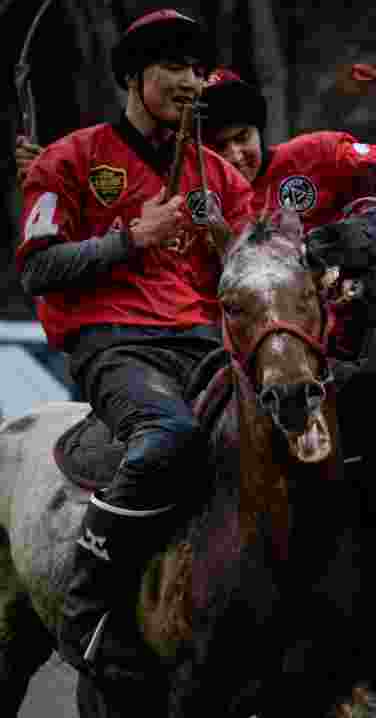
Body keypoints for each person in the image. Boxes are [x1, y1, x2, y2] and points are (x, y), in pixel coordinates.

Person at [16, 9, 254, 679]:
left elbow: (257, 266)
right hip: (117, 347)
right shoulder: (71, 158)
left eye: (198, 70)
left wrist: (238, 250)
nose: (190, 82)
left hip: (206, 345)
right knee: (169, 437)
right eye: (173, 67)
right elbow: (38, 267)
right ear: (132, 75)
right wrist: (130, 239)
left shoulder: (223, 178)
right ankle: (86, 610)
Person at [200, 65, 376, 231]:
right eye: (218, 146)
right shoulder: (197, 209)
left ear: (258, 131)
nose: (234, 155)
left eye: (242, 137)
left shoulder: (319, 153)